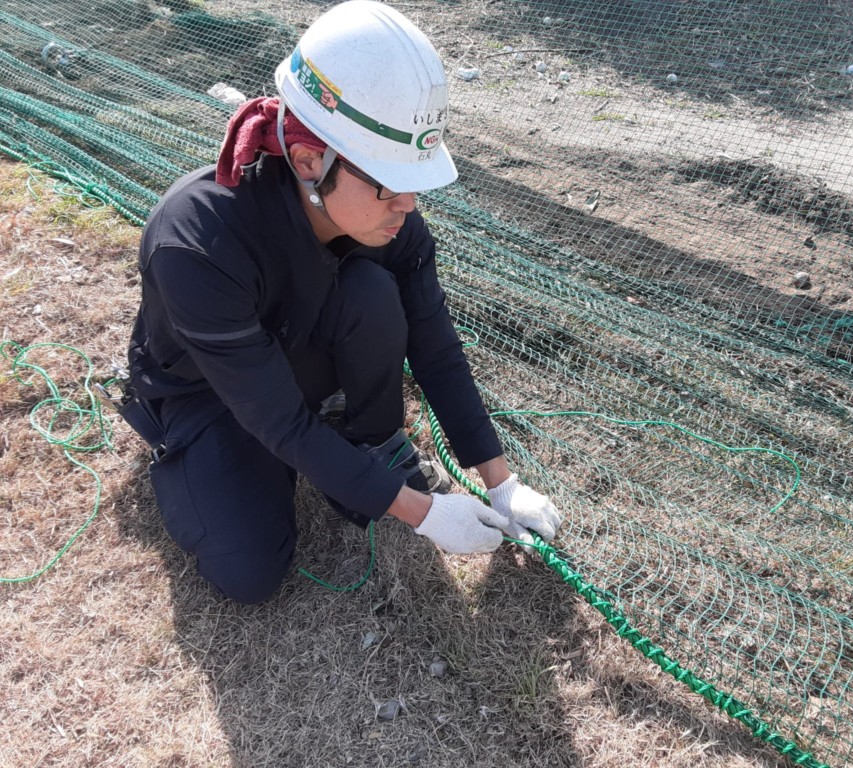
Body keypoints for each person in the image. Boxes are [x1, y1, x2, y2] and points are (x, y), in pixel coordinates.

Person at [123, 0, 562, 604]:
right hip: (210, 389)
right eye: (389, 183)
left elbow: (434, 343)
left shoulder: (389, 217)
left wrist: (500, 479)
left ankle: (368, 449)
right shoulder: (198, 243)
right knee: (248, 571)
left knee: (375, 294)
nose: (408, 205)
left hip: (292, 343)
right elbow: (274, 416)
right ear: (310, 161)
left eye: (416, 180)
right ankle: (210, 454)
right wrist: (425, 514)